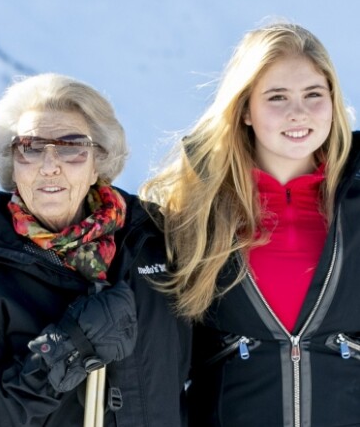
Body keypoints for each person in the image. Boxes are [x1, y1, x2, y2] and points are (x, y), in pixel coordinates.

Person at [141, 22, 359, 426]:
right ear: (244, 110)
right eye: (277, 97)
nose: (298, 113)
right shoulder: (194, 208)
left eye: (314, 94)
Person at [0, 72, 191, 427]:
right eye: (30, 148)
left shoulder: (157, 242)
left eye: (73, 147)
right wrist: (70, 349)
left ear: (98, 164)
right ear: (13, 165)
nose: (50, 166)